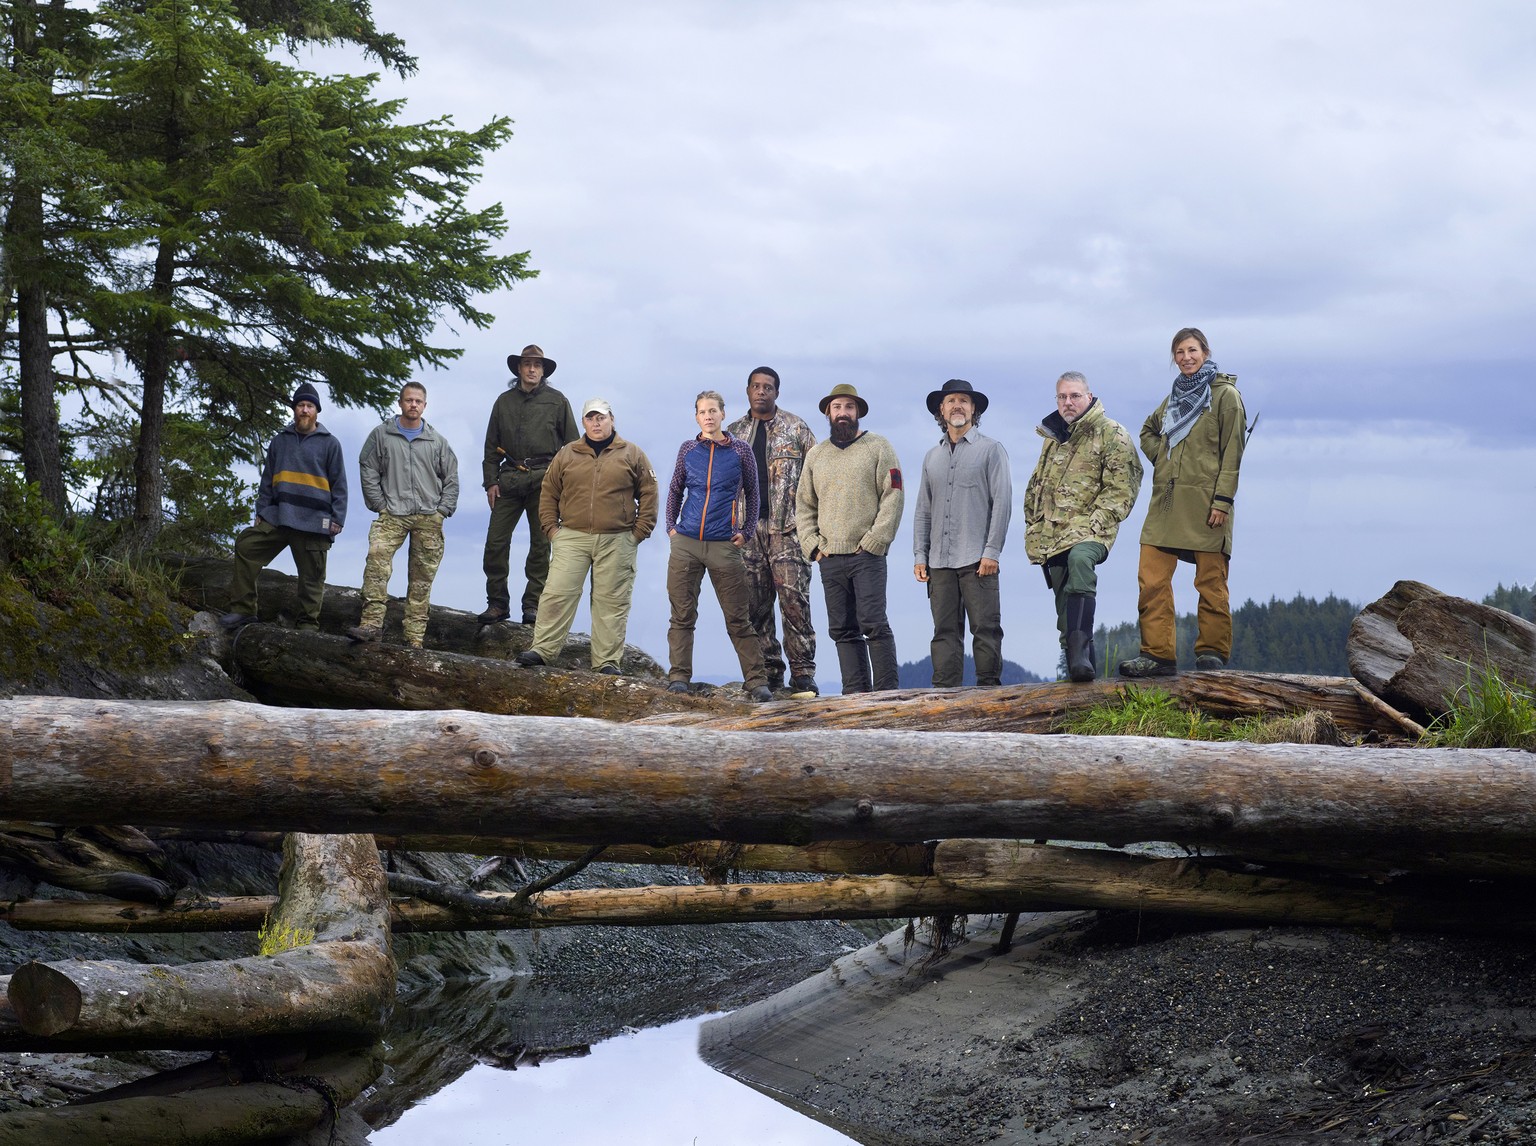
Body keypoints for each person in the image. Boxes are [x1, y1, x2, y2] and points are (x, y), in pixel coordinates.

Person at [1118, 328, 1246, 677]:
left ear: (1205, 352)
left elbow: (1233, 454)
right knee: (1152, 579)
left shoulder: (1226, 396)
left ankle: (1211, 654)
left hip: (1208, 503)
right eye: (1179, 352)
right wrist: (1162, 455)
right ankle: (1157, 655)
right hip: (1166, 502)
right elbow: (1147, 430)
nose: (1186, 357)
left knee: (1211, 582)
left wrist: (1222, 501)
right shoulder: (1173, 397)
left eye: (1192, 350)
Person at [516, 399, 658, 674]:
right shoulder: (567, 454)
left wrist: (639, 532)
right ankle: (542, 651)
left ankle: (606, 661)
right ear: (583, 422)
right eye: (590, 418)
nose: (596, 423)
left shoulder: (633, 453)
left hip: (618, 539)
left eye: (601, 418)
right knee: (556, 594)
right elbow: (549, 492)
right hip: (571, 536)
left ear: (612, 420)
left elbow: (649, 492)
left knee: (611, 602)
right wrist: (552, 530)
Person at [1024, 371, 1143, 682]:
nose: (1068, 402)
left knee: (1079, 561)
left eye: (1074, 395)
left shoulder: (1111, 433)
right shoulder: (1053, 440)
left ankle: (1079, 654)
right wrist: (1034, 529)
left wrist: (1096, 522)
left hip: (1092, 531)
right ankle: (1080, 672)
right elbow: (1036, 488)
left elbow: (1124, 487)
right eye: (1062, 397)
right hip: (1053, 536)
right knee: (1064, 604)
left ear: (1089, 397)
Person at [664, 391, 772, 702]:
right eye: (702, 412)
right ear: (696, 417)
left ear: (723, 414)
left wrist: (747, 531)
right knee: (682, 616)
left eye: (713, 410)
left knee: (738, 617)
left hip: (725, 544)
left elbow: (753, 494)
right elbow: (675, 489)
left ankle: (756, 681)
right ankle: (679, 677)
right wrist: (671, 527)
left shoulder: (740, 451)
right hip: (686, 543)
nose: (708, 416)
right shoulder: (688, 449)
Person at [797, 383, 904, 694]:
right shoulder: (817, 455)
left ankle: (886, 695)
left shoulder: (879, 447)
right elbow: (804, 503)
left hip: (866, 555)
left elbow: (894, 494)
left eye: (849, 407)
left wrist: (875, 541)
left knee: (874, 624)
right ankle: (855, 695)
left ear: (858, 413)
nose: (842, 413)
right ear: (829, 413)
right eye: (837, 408)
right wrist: (813, 546)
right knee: (842, 629)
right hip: (830, 557)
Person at [220, 382, 347, 630]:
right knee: (246, 545)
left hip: (314, 520)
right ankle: (244, 610)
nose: (305, 410)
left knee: (312, 578)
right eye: (301, 405)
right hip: (279, 516)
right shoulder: (280, 441)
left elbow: (340, 484)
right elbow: (267, 480)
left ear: (317, 411)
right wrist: (261, 511)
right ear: (294, 409)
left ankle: (307, 627)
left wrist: (337, 518)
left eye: (310, 406)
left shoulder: (330, 443)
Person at [726, 366, 820, 696]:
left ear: (776, 393)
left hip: (788, 530)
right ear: (748, 391)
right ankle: (767, 673)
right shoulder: (733, 433)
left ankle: (803, 674)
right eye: (756, 386)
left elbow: (818, 476)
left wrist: (816, 528)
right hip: (746, 532)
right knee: (754, 607)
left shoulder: (796, 428)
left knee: (794, 602)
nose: (762, 391)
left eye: (768, 386)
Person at [913, 379, 1012, 687]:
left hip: (977, 560)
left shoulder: (991, 450)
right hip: (939, 561)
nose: (957, 405)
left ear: (974, 409)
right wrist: (920, 555)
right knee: (943, 632)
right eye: (951, 401)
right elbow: (923, 510)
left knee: (985, 629)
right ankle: (945, 698)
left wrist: (991, 552)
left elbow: (1003, 503)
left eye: (964, 401)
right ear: (941, 411)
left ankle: (989, 694)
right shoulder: (932, 457)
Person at [347, 382, 460, 649]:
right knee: (376, 561)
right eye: (408, 400)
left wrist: (442, 511)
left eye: (418, 401)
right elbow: (368, 468)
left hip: (428, 515)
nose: (413, 405)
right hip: (393, 513)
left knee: (421, 580)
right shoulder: (381, 435)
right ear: (400, 403)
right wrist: (379, 504)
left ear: (425, 405)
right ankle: (371, 626)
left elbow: (452, 478)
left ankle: (415, 638)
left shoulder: (437, 441)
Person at [479, 344, 579, 626]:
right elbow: (490, 446)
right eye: (527, 364)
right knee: (495, 544)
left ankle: (533, 605)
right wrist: (490, 482)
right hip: (508, 480)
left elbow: (572, 447)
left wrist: (564, 485)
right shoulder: (503, 402)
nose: (532, 369)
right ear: (519, 369)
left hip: (545, 481)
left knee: (540, 546)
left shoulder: (558, 401)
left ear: (543, 370)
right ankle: (497, 603)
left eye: (537, 365)